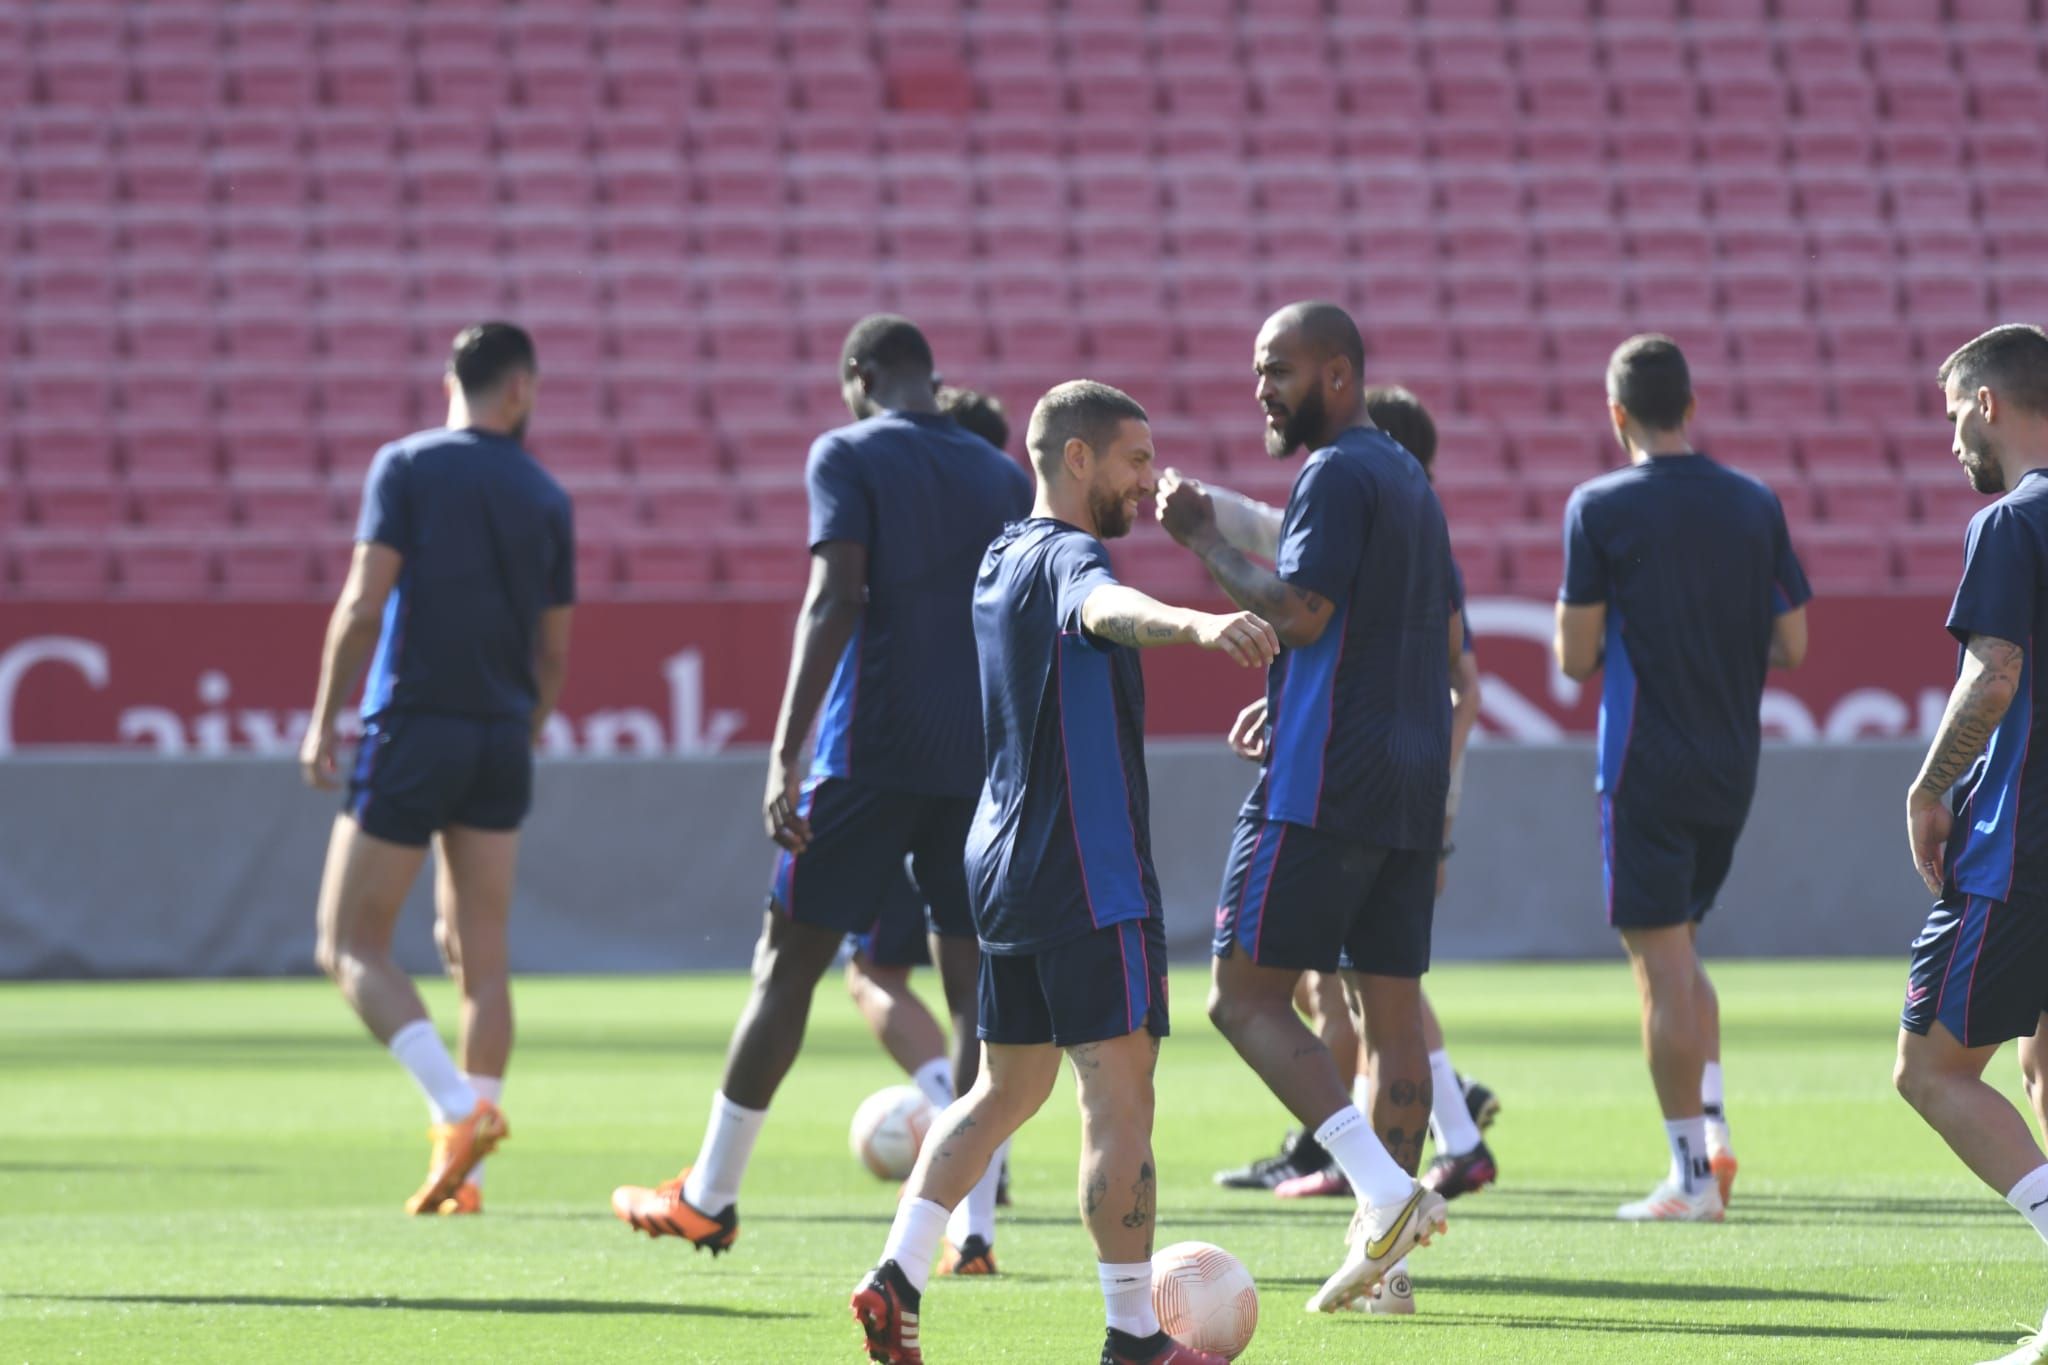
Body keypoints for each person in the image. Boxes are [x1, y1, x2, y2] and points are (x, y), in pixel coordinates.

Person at [850, 380, 1278, 1365]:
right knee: (1118, 1094)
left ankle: (897, 1274)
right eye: (1134, 458)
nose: (1147, 478)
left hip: (999, 864)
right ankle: (1133, 1337)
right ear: (1075, 458)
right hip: (1086, 870)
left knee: (1001, 1089)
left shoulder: (998, 557)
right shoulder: (1072, 558)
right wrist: (1199, 624)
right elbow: (1102, 607)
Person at [611, 316, 1030, 1266]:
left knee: (788, 963)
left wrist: (786, 748)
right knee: (976, 986)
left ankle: (710, 1194)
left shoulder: (845, 452)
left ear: (860, 374)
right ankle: (973, 1227)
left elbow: (837, 595)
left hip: (869, 749)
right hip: (974, 758)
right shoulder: (1001, 476)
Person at [1158, 302, 1458, 1314]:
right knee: (1390, 1013)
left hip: (1327, 783)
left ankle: (1380, 1192)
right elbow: (1373, 636)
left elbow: (1297, 611)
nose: (1260, 390)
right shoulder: (1408, 480)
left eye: (1275, 371)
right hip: (1406, 781)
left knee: (1239, 997)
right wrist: (1285, 702)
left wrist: (1198, 537)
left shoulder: (1332, 473)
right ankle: (1390, 1266)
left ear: (1336, 373)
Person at [299, 322, 573, 1217]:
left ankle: (460, 1113)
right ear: (520, 389)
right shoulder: (545, 493)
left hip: (414, 725)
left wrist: (322, 718)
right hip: (499, 735)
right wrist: (523, 725)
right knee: (479, 959)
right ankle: (471, 1180)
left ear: (450, 380)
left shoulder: (407, 466)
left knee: (347, 943)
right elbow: (555, 651)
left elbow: (362, 602)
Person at [1556, 334, 1810, 1223]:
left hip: (1643, 762)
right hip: (1731, 760)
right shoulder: (1754, 502)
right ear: (1691, 407)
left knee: (1660, 968)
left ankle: (1692, 1178)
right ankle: (1714, 1132)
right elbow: (1795, 642)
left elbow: (1574, 653)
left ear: (1617, 413)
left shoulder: (1598, 505)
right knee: (1684, 954)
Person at [1894, 324, 2048, 1363]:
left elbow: (1992, 673)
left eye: (1953, 410)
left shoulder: (2011, 522)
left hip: (2020, 842)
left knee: (1929, 1071)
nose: (1948, 435)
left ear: (1988, 403)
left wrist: (1924, 786)